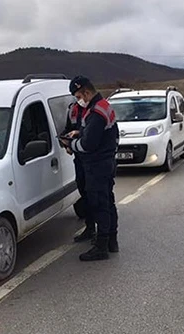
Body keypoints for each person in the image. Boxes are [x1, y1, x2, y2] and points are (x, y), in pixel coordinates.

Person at [61, 75, 119, 261]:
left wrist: (71, 144)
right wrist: (80, 132)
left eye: (79, 95)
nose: (79, 100)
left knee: (100, 204)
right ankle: (111, 241)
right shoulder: (100, 106)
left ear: (86, 92)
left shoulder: (96, 111)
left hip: (97, 163)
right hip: (103, 161)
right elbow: (95, 134)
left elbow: (88, 145)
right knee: (107, 201)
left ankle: (101, 246)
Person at [60, 100, 96, 243]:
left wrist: (78, 134)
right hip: (79, 159)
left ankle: (103, 235)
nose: (78, 98)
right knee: (84, 193)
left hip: (93, 160)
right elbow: (67, 128)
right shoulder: (73, 110)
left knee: (96, 196)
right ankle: (90, 228)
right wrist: (65, 141)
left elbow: (93, 134)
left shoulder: (95, 110)